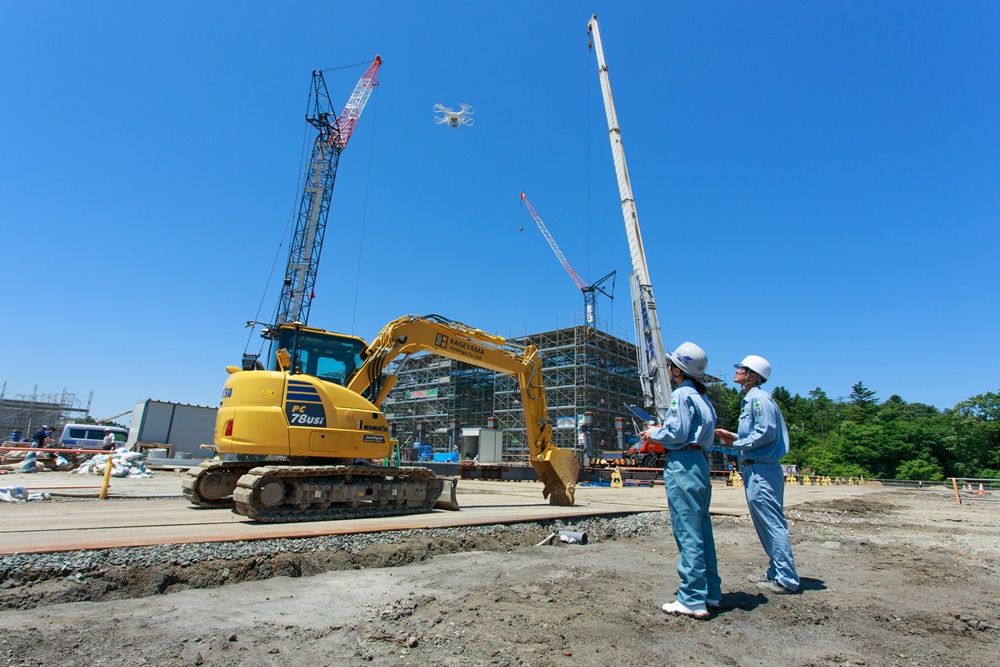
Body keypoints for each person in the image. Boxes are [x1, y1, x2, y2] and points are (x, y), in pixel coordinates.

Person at [639, 342, 721, 619]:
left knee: (687, 531)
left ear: (677, 368)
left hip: (683, 464)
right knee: (701, 529)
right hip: (699, 463)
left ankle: (692, 598)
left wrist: (654, 433)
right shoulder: (702, 397)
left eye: (672, 364)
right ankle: (710, 592)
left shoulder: (680, 395)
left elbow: (676, 434)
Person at [715, 355, 800, 595]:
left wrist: (738, 441)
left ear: (752, 376)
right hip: (755, 468)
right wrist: (732, 436)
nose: (736, 372)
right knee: (765, 524)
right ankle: (776, 571)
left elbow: (765, 432)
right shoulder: (750, 399)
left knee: (772, 524)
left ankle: (787, 579)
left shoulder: (759, 399)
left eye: (741, 369)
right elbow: (759, 432)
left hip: (762, 470)